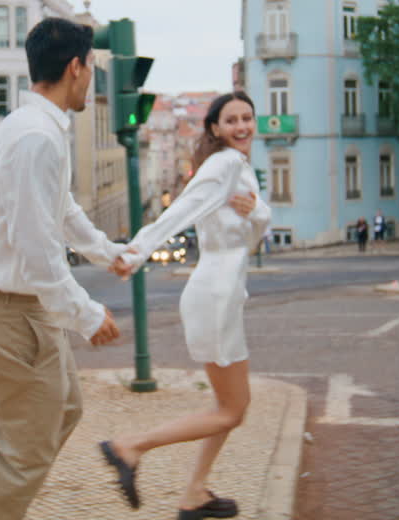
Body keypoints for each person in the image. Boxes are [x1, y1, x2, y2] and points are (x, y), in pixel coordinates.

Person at [0, 17, 130, 520]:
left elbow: (61, 210)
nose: (91, 77)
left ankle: (10, 487)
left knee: (64, 409)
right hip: (10, 316)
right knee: (25, 453)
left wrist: (105, 251)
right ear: (75, 68)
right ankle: (7, 494)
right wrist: (87, 313)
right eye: (91, 68)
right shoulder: (36, 138)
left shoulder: (37, 128)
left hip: (25, 312)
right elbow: (36, 249)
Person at [99, 91, 271, 520]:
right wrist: (137, 253)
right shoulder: (226, 165)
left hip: (221, 294)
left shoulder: (238, 168)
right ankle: (131, 447)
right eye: (231, 120)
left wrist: (257, 214)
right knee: (233, 409)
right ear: (215, 128)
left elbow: (253, 237)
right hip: (214, 295)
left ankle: (194, 493)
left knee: (229, 408)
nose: (242, 127)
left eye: (247, 118)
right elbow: (182, 211)